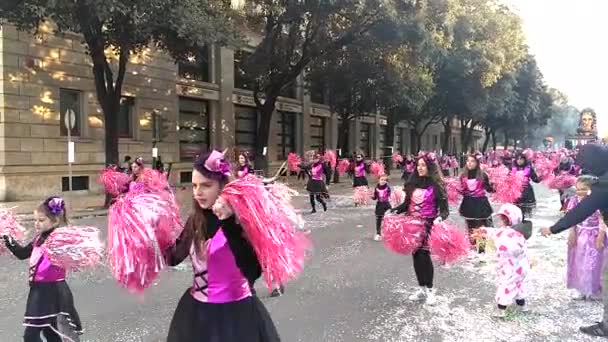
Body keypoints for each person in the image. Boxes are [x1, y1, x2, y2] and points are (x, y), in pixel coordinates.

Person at [164, 151, 280, 342]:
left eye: (206, 185)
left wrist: (229, 224)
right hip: (197, 315)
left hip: (236, 316)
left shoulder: (241, 220)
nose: (197, 192)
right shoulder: (196, 220)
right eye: (194, 185)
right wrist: (146, 235)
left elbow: (253, 272)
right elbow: (173, 257)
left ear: (222, 186)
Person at [540, 143, 608, 337]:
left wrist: (553, 229)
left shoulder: (604, 184)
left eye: (587, 164)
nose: (586, 168)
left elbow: (581, 211)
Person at [2, 196, 83, 342]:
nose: (36, 224)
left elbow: (73, 254)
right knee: (51, 333)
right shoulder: (38, 238)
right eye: (35, 220)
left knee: (30, 336)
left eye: (41, 220)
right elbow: (22, 254)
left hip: (51, 291)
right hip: (38, 290)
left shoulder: (58, 239)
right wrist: (8, 239)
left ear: (55, 221)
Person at [392, 152, 449, 306]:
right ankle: (421, 288)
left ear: (430, 167)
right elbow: (406, 205)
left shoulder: (437, 185)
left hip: (428, 224)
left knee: (424, 255)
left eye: (423, 165)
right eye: (418, 165)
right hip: (412, 225)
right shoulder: (412, 183)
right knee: (416, 256)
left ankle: (430, 290)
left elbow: (444, 210)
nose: (420, 168)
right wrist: (394, 211)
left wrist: (439, 218)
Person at [475, 204, 531, 318]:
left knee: (506, 286)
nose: (500, 221)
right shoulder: (518, 231)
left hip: (511, 268)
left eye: (503, 219)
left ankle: (502, 310)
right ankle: (523, 305)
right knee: (518, 284)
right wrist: (484, 231)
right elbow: (495, 232)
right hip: (522, 267)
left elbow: (504, 244)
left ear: (508, 220)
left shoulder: (510, 234)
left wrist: (497, 249)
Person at [566, 175, 606, 300]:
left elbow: (602, 220)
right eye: (577, 189)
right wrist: (572, 232)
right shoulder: (574, 201)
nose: (580, 192)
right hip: (580, 234)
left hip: (594, 235)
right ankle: (581, 288)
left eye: (584, 189)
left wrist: (600, 237)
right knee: (579, 261)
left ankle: (594, 289)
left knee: (594, 263)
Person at [458, 154, 494, 250]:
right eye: (468, 161)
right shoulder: (463, 175)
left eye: (472, 161)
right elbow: (461, 190)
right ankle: (473, 248)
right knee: (471, 227)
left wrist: (495, 185)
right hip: (468, 203)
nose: (469, 163)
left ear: (477, 163)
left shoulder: (483, 175)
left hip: (480, 204)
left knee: (481, 227)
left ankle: (481, 250)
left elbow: (489, 189)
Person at [512, 153, 540, 218]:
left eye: (521, 159)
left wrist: (542, 176)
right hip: (515, 192)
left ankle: (525, 224)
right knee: (516, 211)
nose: (519, 161)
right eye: (518, 159)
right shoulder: (512, 168)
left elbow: (536, 180)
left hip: (526, 192)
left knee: (526, 212)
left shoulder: (529, 168)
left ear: (524, 160)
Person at [371, 174, 391, 241]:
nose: (383, 181)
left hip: (386, 205)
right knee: (379, 219)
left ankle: (388, 233)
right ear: (378, 180)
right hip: (379, 205)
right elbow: (375, 197)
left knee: (388, 219)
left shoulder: (388, 187)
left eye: (385, 180)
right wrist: (372, 197)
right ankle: (378, 233)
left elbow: (390, 195)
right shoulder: (376, 188)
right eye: (382, 180)